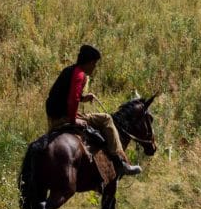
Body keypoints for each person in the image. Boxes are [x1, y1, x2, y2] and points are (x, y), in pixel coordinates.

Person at [45, 44, 142, 176]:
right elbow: (72, 100)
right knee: (106, 118)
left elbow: (66, 95)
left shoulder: (69, 70)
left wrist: (84, 98)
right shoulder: (80, 75)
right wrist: (74, 121)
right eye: (94, 63)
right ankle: (121, 161)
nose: (95, 67)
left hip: (53, 118)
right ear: (89, 62)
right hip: (65, 118)